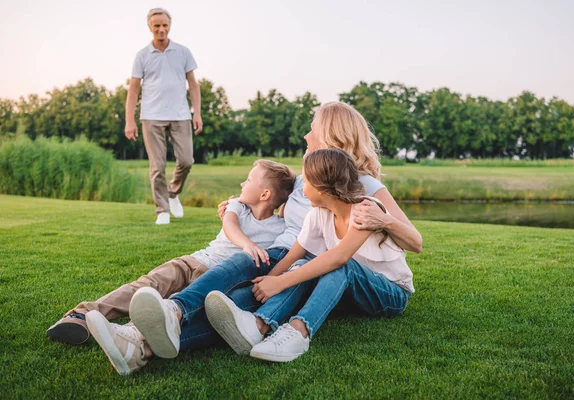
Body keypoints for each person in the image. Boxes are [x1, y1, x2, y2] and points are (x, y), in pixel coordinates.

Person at [86, 101, 422, 375]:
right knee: (249, 274)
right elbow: (276, 200)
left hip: (343, 276)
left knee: (291, 277)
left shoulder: (366, 192)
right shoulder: (311, 179)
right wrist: (240, 207)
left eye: (313, 129)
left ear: (332, 135)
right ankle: (150, 335)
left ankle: (266, 327)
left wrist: (386, 219)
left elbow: (410, 242)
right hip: (307, 264)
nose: (306, 135)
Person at [46, 160, 296, 350]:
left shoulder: (281, 228)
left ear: (265, 195)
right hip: (195, 261)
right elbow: (230, 227)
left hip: (214, 278)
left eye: (249, 180)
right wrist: (248, 245)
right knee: (148, 285)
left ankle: (126, 337)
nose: (243, 183)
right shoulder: (236, 206)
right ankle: (82, 314)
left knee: (172, 305)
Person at [206, 148, 414, 362]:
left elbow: (340, 257)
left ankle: (299, 331)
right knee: (304, 265)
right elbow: (293, 256)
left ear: (322, 188)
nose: (302, 190)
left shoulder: (366, 209)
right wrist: (265, 284)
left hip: (390, 292)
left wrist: (280, 282)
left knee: (337, 265)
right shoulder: (317, 215)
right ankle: (258, 325)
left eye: (306, 183)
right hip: (351, 292)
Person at [125, 8, 202, 225]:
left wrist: (197, 112)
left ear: (170, 26)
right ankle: (162, 210)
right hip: (151, 116)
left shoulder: (183, 51)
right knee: (157, 166)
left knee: (186, 160)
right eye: (156, 25)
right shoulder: (142, 55)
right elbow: (133, 89)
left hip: (180, 114)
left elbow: (193, 85)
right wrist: (129, 120)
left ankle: (173, 193)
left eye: (164, 25)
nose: (161, 29)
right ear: (150, 27)